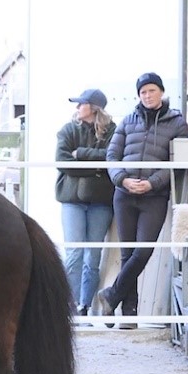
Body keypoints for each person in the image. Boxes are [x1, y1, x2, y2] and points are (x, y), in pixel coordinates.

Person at [98, 72, 188, 328]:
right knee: (128, 253)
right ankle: (129, 316)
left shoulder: (177, 123)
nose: (147, 96)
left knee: (143, 250)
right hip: (124, 195)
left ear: (161, 92)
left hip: (154, 196)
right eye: (143, 92)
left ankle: (111, 296)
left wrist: (152, 182)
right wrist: (122, 180)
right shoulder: (128, 121)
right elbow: (112, 156)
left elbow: (179, 163)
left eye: (152, 90)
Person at [54, 88, 116, 317]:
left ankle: (84, 306)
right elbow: (63, 162)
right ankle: (68, 308)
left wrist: (80, 154)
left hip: (101, 201)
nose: (78, 107)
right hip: (72, 200)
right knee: (74, 253)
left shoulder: (112, 131)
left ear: (94, 107)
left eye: (82, 103)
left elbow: (111, 158)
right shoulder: (68, 129)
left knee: (93, 256)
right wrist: (96, 168)